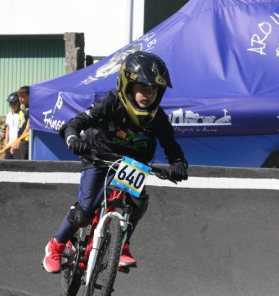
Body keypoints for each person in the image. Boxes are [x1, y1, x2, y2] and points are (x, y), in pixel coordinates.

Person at [42, 51, 189, 274]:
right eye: (142, 87)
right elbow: (74, 123)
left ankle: (122, 245)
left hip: (132, 165)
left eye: (152, 90)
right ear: (128, 86)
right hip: (98, 158)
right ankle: (57, 244)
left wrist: (178, 164)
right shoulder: (111, 101)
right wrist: (73, 138)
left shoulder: (157, 117)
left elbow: (172, 147)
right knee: (85, 210)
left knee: (137, 202)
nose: (147, 95)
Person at [7, 86, 30, 159]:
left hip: (25, 141)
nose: (20, 99)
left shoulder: (31, 109)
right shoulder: (23, 110)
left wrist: (18, 141)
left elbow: (28, 127)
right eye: (19, 97)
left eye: (22, 97)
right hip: (19, 140)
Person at [3, 92, 21, 159]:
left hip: (17, 145)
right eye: (11, 104)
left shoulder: (21, 115)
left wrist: (17, 142)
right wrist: (6, 142)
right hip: (9, 144)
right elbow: (8, 128)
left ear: (19, 103)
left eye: (15, 103)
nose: (13, 105)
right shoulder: (9, 115)